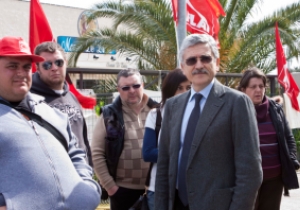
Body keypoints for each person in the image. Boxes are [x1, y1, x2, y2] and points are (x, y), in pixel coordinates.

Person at [154, 34, 262, 210]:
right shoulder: (173, 105)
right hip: (176, 204)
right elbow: (164, 164)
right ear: (182, 67)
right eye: (191, 60)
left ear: (216, 62)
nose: (198, 65)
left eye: (205, 58)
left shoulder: (237, 103)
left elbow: (250, 172)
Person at [0, 36, 101, 210]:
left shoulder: (51, 113)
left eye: (25, 67)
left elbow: (76, 153)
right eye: (12, 66)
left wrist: (87, 186)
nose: (21, 73)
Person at [91, 68, 158, 210]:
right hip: (123, 192)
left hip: (155, 188)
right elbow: (97, 153)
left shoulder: (158, 111)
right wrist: (111, 188)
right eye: (126, 87)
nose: (132, 90)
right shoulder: (109, 116)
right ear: (118, 90)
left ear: (143, 85)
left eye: (136, 85)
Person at [238, 67, 300, 210]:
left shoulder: (275, 110)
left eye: (261, 86)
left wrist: (291, 160)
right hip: (247, 182)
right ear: (243, 89)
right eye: (253, 87)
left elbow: (288, 138)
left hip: (274, 180)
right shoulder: (237, 111)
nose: (258, 90)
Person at [30, 42, 92, 165]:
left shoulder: (71, 96)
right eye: (47, 65)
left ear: (65, 63)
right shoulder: (29, 98)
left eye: (59, 62)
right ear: (38, 68)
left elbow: (83, 138)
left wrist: (90, 166)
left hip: (81, 174)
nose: (54, 68)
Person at [142, 69, 191, 210]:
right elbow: (148, 152)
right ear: (170, 90)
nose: (184, 92)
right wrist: (181, 154)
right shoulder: (156, 114)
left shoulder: (198, 114)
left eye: (188, 88)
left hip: (190, 190)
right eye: (179, 88)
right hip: (159, 188)